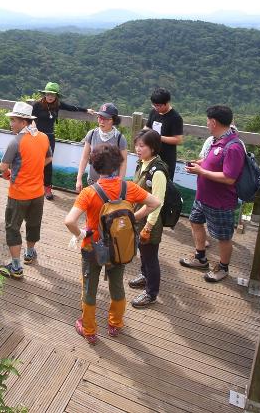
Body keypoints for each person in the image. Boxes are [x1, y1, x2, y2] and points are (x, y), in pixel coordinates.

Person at [64, 145, 160, 344]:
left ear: (94, 166)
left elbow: (69, 221)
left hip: (92, 247)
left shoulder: (89, 193)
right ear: (117, 165)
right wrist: (132, 218)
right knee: (117, 287)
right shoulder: (129, 188)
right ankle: (115, 324)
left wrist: (81, 233)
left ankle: (89, 329)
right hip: (119, 246)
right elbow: (154, 203)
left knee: (90, 289)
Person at [180, 105, 245, 282]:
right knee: (194, 221)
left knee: (223, 237)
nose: (207, 124)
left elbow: (229, 178)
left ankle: (223, 267)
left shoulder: (234, 147)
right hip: (203, 198)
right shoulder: (218, 140)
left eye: (208, 121)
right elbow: (211, 161)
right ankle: (200, 258)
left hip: (220, 202)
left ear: (214, 122)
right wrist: (198, 163)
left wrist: (201, 172)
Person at [0, 101, 52, 278]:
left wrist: (9, 172)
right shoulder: (43, 137)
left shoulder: (15, 141)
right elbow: (49, 158)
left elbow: (2, 166)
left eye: (14, 120)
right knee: (33, 223)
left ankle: (15, 267)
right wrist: (35, 168)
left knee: (13, 227)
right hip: (38, 193)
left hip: (18, 194)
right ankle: (29, 253)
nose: (11, 123)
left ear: (23, 122)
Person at [32, 82, 93, 200]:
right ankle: (35, 185)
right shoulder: (37, 105)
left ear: (56, 96)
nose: (50, 96)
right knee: (35, 160)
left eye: (53, 95)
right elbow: (31, 120)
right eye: (48, 94)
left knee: (48, 162)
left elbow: (72, 108)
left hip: (49, 138)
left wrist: (86, 110)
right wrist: (34, 132)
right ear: (45, 94)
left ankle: (47, 188)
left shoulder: (57, 104)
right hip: (37, 136)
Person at [128, 129, 168, 308]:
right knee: (143, 253)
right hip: (140, 219)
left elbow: (157, 202)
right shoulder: (142, 163)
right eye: (136, 145)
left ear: (152, 148)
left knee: (151, 258)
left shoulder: (157, 172)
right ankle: (144, 276)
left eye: (142, 146)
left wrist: (148, 227)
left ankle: (151, 293)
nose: (138, 148)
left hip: (149, 222)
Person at [76, 103, 128, 192]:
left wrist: (120, 182)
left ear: (114, 120)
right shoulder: (92, 134)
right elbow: (84, 158)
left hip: (111, 184)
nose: (102, 121)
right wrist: (79, 178)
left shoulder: (120, 138)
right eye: (100, 118)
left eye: (106, 119)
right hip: (92, 182)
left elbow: (123, 162)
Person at [144, 87, 184, 181]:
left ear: (167, 102)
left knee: (164, 184)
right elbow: (147, 127)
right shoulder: (153, 112)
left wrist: (158, 137)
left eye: (159, 106)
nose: (156, 108)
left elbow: (178, 140)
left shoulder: (175, 118)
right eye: (154, 105)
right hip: (151, 154)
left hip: (166, 158)